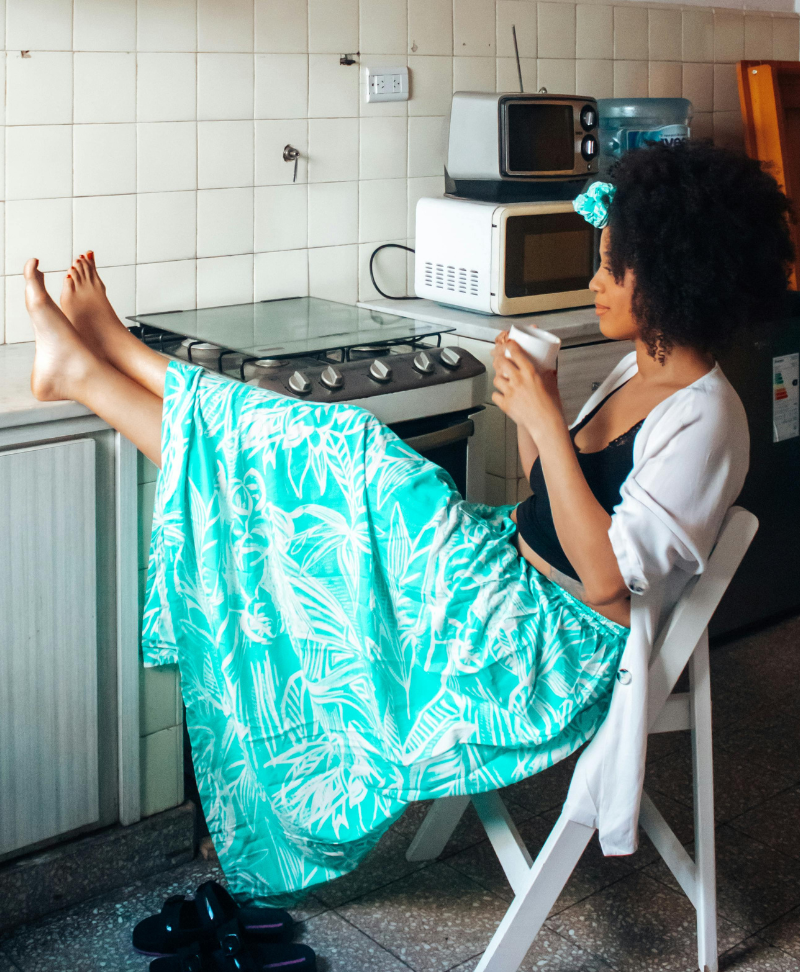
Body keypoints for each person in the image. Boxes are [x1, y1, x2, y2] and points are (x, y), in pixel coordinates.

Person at [22, 140, 792, 901]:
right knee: (306, 483)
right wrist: (537, 403)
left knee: (342, 450)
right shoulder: (638, 370)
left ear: (667, 279)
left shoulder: (707, 421)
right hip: (505, 576)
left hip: (541, 645)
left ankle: (103, 360)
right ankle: (97, 365)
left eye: (609, 265)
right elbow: (549, 496)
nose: (594, 281)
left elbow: (604, 583)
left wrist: (548, 425)